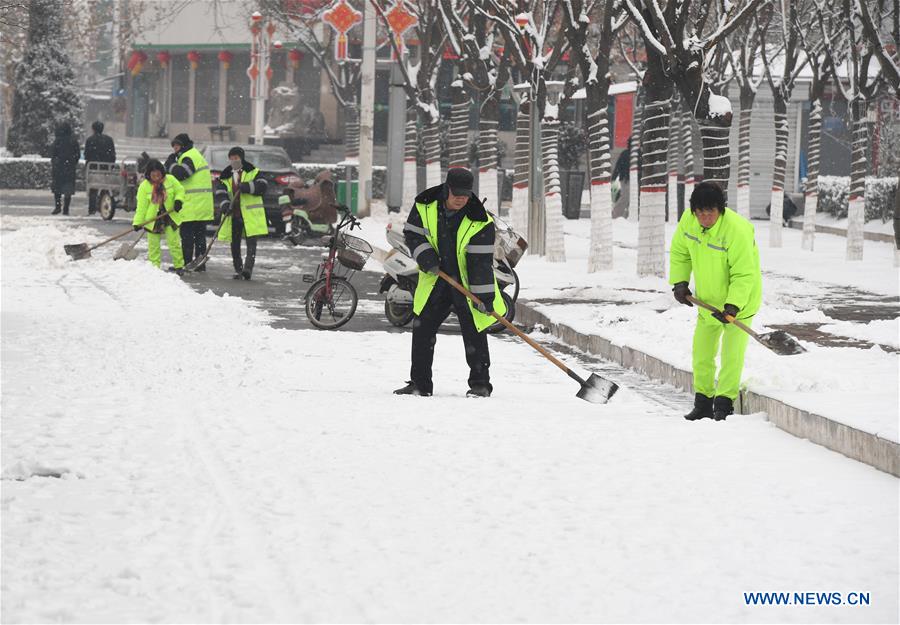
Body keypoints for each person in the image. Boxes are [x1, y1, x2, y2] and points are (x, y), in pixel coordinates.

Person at [393, 168, 507, 398]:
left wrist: (484, 297)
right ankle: (420, 384)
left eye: (465, 195)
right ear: (447, 189)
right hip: (437, 281)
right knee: (422, 330)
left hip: (467, 283)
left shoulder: (480, 220)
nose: (461, 199)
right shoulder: (425, 206)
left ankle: (480, 385)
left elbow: (480, 263)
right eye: (457, 194)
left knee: (475, 332)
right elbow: (413, 234)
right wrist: (426, 257)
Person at [669, 181, 763, 421]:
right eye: (700, 212)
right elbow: (680, 252)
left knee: (731, 356)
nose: (705, 218)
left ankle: (723, 405)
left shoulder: (737, 230)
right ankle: (703, 402)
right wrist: (680, 282)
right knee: (702, 354)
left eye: (710, 212)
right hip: (708, 301)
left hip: (740, 303)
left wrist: (733, 305)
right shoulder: (688, 221)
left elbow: (744, 274)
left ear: (720, 209)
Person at [213, 147, 268, 280]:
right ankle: (238, 269)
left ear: (241, 158)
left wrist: (248, 186)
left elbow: (263, 186)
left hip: (250, 214)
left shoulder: (253, 172)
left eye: (236, 158)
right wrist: (225, 205)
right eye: (231, 158)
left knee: (251, 243)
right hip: (234, 214)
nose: (234, 161)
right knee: (235, 243)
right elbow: (220, 192)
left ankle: (247, 269)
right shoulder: (225, 176)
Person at [165, 134, 213, 270]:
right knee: (199, 235)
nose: (175, 149)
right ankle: (199, 264)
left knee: (187, 236)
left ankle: (186, 263)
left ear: (183, 146)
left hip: (192, 204)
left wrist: (170, 163)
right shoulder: (195, 155)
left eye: (177, 146)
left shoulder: (189, 156)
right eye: (173, 146)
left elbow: (181, 174)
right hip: (200, 203)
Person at [133, 159, 185, 274]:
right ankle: (155, 268)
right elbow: (141, 207)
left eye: (158, 174)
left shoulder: (170, 180)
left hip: (170, 216)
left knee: (174, 243)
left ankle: (179, 266)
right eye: (153, 175)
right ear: (148, 174)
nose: (156, 177)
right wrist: (137, 222)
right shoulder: (144, 187)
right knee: (153, 246)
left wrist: (178, 201)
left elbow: (180, 190)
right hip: (153, 220)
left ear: (162, 172)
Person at [83, 120, 116, 215]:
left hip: (93, 167)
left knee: (93, 188)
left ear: (93, 129)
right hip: (106, 167)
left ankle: (92, 209)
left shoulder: (90, 140)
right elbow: (112, 155)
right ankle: (101, 206)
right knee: (104, 187)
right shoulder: (109, 140)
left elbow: (86, 154)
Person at [50, 122, 80, 216]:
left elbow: (53, 154)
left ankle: (57, 206)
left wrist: (56, 162)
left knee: (57, 188)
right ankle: (66, 208)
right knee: (68, 189)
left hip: (58, 168)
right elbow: (77, 155)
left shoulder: (57, 141)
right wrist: (72, 162)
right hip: (69, 168)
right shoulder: (73, 141)